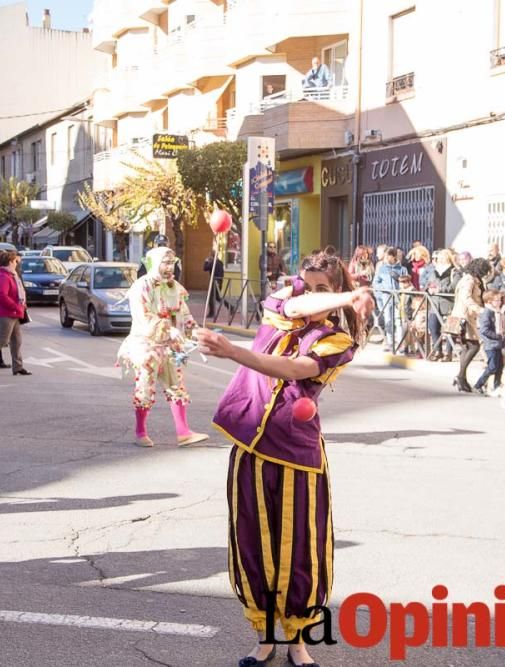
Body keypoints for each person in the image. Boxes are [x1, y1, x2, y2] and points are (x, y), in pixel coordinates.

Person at [195, 252, 372, 667]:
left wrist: (234, 353)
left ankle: (299, 642)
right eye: (308, 286)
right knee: (253, 546)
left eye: (323, 290)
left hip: (297, 455)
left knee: (301, 551)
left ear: (336, 292)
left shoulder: (336, 341)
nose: (312, 296)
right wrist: (344, 296)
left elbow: (294, 368)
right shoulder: (281, 307)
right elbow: (295, 304)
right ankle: (265, 637)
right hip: (251, 447)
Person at [116, 247, 206, 447]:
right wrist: (168, 329)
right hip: (146, 346)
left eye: (172, 263)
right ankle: (140, 432)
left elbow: (184, 314)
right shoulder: (141, 287)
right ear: (154, 264)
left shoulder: (175, 288)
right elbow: (144, 317)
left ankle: (184, 432)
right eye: (165, 263)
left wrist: (195, 331)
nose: (169, 268)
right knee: (145, 389)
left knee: (177, 388)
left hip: (169, 347)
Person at [450, 257, 491, 393]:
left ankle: (462, 378)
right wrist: (480, 310)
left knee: (467, 347)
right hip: (464, 317)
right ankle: (461, 376)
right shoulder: (469, 280)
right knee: (473, 346)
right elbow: (466, 297)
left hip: (466, 316)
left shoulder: (473, 279)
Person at [421, 249, 460, 361]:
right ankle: (438, 350)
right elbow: (427, 284)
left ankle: (448, 352)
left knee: (451, 328)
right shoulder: (434, 271)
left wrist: (439, 289)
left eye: (443, 257)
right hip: (434, 303)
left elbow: (454, 287)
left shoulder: (454, 271)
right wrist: (428, 289)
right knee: (433, 327)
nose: (440, 259)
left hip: (450, 304)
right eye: (439, 257)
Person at [372, 248, 407, 351]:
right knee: (388, 320)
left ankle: (400, 343)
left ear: (394, 256)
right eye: (386, 256)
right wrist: (384, 290)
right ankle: (390, 342)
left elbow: (406, 282)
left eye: (388, 256)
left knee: (398, 320)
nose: (386, 258)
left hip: (398, 298)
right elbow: (376, 283)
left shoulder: (402, 269)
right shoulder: (382, 268)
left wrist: (400, 289)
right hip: (386, 297)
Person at [473, 289, 505, 395]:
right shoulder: (487, 313)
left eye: (500, 300)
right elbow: (484, 330)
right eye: (497, 300)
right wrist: (497, 336)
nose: (499, 302)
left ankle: (497, 386)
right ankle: (478, 385)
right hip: (490, 345)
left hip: (498, 344)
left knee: (500, 366)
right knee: (492, 367)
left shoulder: (496, 312)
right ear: (488, 302)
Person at [203, 251, 227, 319]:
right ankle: (231, 307)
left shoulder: (212, 263)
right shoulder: (220, 262)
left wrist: (206, 261)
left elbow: (205, 268)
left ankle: (211, 313)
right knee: (218, 298)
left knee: (210, 298)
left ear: (212, 256)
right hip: (219, 281)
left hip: (214, 282)